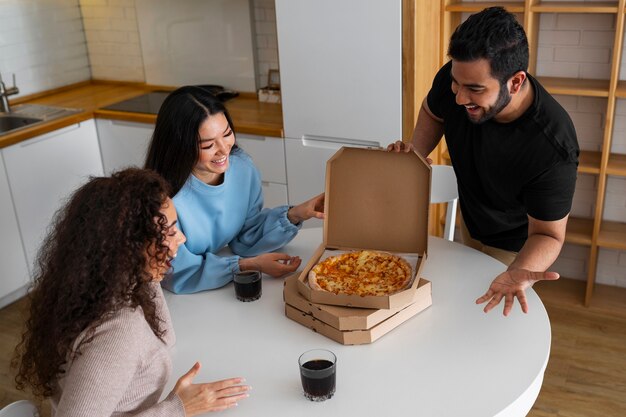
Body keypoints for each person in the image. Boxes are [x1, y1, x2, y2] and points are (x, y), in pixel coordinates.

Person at [13, 168, 251, 416]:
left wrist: (150, 268)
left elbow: (166, 338)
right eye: (168, 231)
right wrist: (177, 408)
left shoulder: (104, 286)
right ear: (129, 246)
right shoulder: (118, 332)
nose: (180, 238)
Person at [388, 7, 579, 316]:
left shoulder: (552, 147)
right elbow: (433, 112)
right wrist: (415, 155)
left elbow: (548, 234)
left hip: (515, 245)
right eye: (456, 84)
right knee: (458, 309)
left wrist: (519, 272)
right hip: (472, 217)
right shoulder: (460, 76)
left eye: (475, 90)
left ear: (515, 82)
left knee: (488, 319)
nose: (460, 98)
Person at [145, 86, 324, 294]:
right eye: (208, 145)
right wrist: (248, 265)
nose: (224, 149)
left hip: (221, 288)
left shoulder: (242, 168)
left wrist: (297, 213)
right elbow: (178, 273)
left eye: (227, 133)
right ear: (180, 147)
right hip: (182, 300)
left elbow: (245, 236)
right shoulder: (164, 200)